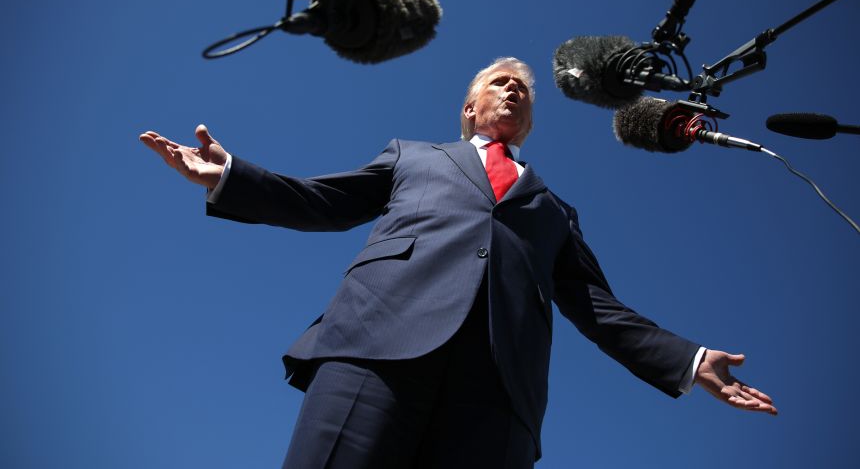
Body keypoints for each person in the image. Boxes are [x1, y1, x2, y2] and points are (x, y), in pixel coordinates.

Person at [140, 57, 776, 468]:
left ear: (527, 121)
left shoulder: (554, 209)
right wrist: (232, 178)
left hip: (499, 392)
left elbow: (595, 306)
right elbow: (327, 200)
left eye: (524, 90)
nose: (514, 91)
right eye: (500, 83)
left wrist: (689, 360)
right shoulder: (414, 156)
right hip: (377, 346)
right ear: (470, 107)